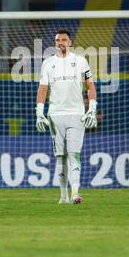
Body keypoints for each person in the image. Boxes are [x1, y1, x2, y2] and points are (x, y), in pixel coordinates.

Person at [36, 30, 97, 204]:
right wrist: (39, 112)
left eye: (64, 39)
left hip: (76, 114)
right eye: (57, 40)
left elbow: (90, 86)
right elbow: (42, 89)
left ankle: (75, 194)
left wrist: (92, 108)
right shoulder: (48, 63)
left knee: (74, 154)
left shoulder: (80, 61)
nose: (61, 42)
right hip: (55, 115)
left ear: (70, 42)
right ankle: (63, 196)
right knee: (61, 157)